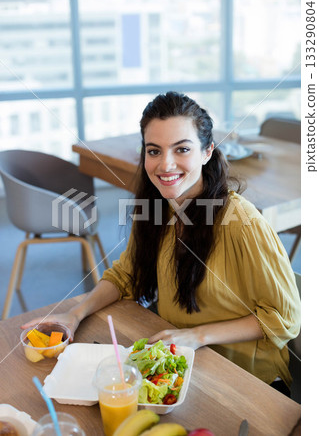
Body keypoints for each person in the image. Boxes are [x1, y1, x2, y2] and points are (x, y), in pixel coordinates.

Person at [22, 91, 300, 396]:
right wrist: (73, 314)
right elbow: (125, 275)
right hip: (179, 365)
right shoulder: (159, 208)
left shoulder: (243, 223)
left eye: (181, 149)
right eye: (154, 151)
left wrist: (196, 336)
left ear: (207, 152)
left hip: (246, 379)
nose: (166, 165)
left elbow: (285, 318)